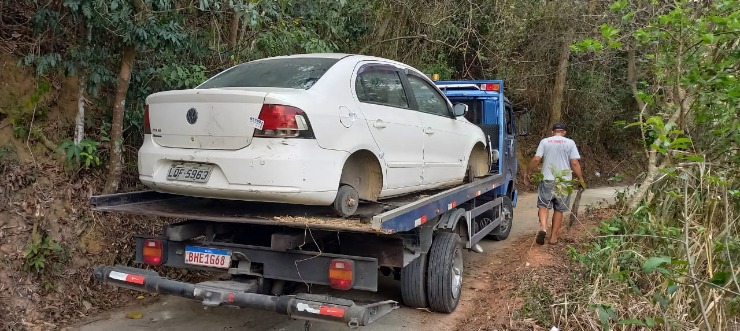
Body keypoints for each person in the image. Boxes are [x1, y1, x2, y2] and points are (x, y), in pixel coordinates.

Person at [523, 122, 585, 245]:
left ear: (552, 132)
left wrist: (528, 172)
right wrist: (581, 179)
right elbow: (574, 163)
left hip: (547, 179)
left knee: (543, 206)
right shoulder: (570, 143)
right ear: (564, 132)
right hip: (564, 181)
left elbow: (536, 159)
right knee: (559, 209)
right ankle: (553, 237)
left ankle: (543, 228)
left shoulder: (545, 141)